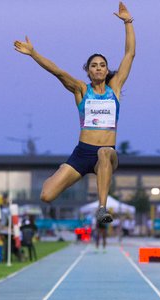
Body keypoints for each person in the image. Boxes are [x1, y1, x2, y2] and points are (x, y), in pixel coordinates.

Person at [14, 2, 135, 225]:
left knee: (103, 153)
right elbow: (57, 71)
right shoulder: (81, 90)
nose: (98, 68)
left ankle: (102, 208)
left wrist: (128, 22)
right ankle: (63, 169)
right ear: (88, 71)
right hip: (82, 153)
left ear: (107, 70)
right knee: (46, 195)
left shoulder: (114, 88)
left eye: (102, 65)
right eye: (94, 65)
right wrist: (33, 53)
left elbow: (129, 54)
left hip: (106, 155)